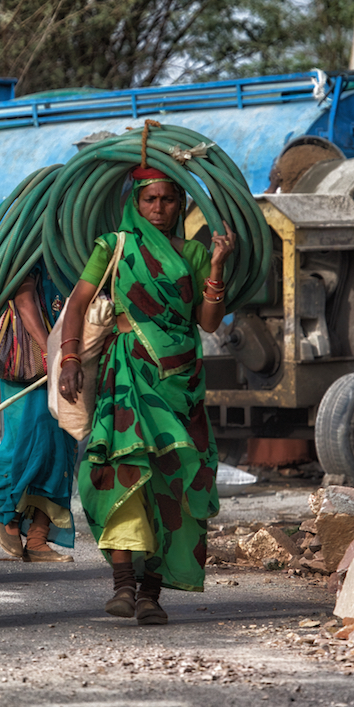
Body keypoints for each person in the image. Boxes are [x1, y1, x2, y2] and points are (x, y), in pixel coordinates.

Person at [59, 166, 236, 625]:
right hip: (128, 378)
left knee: (171, 482)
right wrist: (70, 359)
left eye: (168, 200)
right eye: (148, 200)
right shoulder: (113, 246)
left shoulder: (194, 253)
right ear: (134, 202)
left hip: (180, 386)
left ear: (180, 205)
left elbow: (210, 322)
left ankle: (151, 595)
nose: (158, 209)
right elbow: (78, 302)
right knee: (120, 471)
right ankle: (123, 587)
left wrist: (216, 267)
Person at [0, 267, 78, 562]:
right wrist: (49, 350)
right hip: (30, 359)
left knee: (62, 445)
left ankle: (38, 536)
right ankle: (8, 514)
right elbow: (24, 299)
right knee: (26, 438)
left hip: (68, 357)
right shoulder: (30, 250)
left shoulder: (74, 251)